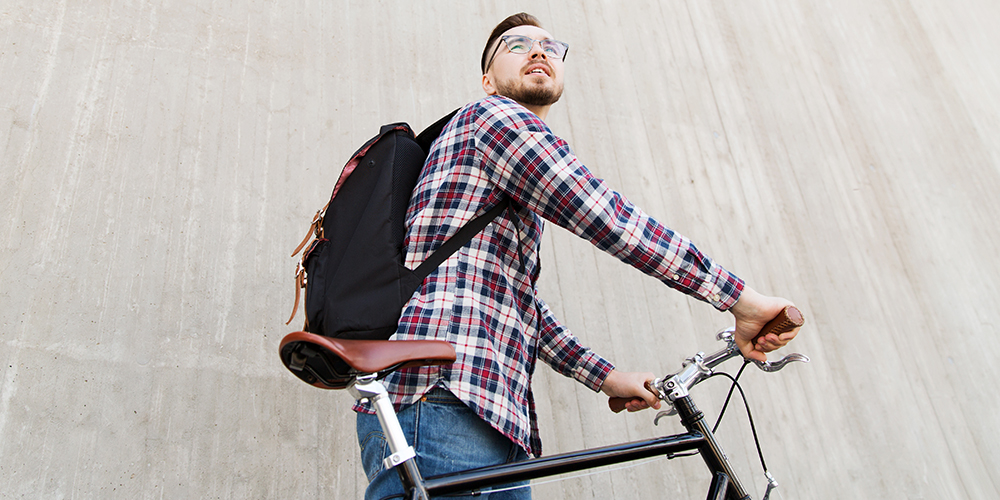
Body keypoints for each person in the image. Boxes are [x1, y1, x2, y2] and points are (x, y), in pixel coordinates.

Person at [355, 12, 800, 499]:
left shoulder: (494, 165)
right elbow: (606, 217)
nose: (538, 50)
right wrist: (741, 299)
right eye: (516, 44)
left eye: (550, 45)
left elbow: (518, 305)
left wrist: (604, 377)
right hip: (445, 400)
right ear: (487, 80)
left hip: (488, 413)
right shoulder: (493, 119)